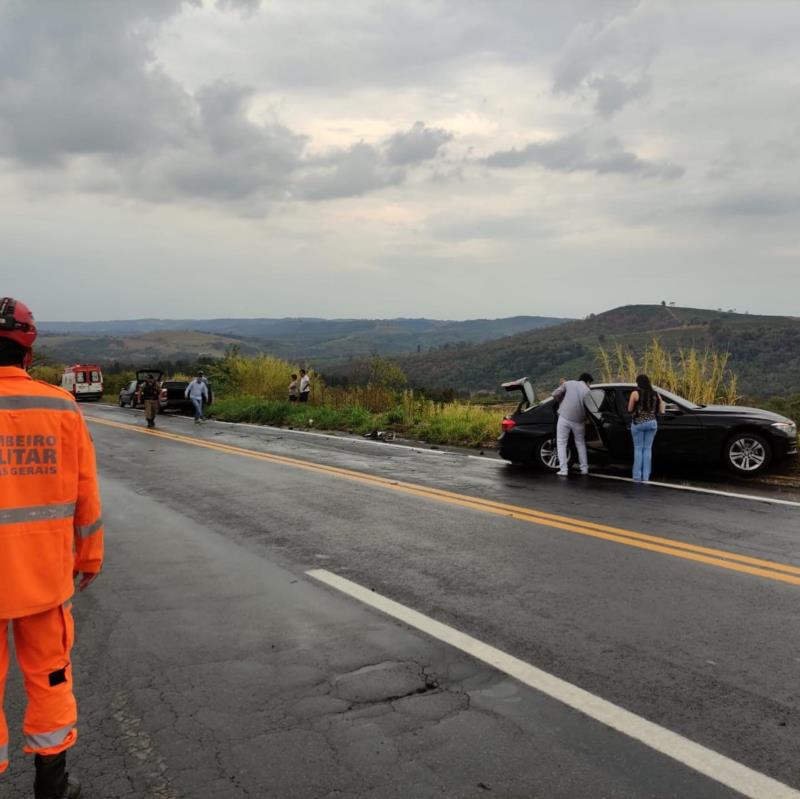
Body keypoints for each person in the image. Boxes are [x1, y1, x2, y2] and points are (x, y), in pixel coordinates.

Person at [0, 297, 104, 799]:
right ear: (28, 349)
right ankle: (53, 784)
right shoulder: (60, 407)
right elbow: (86, 494)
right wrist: (89, 558)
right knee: (50, 677)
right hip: (43, 581)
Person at [551, 372, 593, 477]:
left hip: (564, 417)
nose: (590, 385)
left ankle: (563, 470)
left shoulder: (569, 383)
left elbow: (555, 394)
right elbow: (590, 408)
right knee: (580, 443)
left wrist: (561, 402)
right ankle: (584, 469)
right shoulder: (588, 391)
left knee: (561, 443)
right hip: (579, 420)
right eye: (590, 383)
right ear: (587, 381)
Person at [627, 374, 666, 482]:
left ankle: (637, 477)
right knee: (648, 449)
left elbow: (630, 409)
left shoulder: (635, 393)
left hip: (638, 423)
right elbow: (661, 409)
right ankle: (646, 477)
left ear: (638, 382)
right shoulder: (656, 394)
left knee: (638, 449)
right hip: (652, 423)